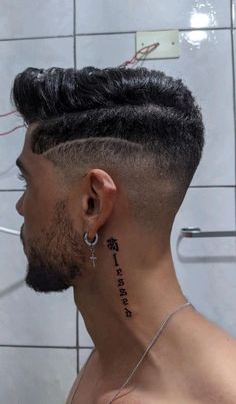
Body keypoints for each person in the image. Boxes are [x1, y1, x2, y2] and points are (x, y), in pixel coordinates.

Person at [12, 66, 236, 404]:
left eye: (27, 183)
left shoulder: (216, 393)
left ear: (92, 204)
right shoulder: (111, 353)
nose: (20, 206)